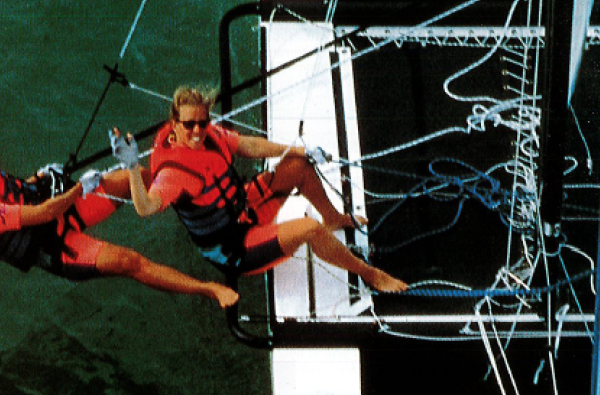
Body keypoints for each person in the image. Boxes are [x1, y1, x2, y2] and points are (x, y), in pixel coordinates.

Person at [112, 85, 408, 293]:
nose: (198, 131)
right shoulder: (172, 174)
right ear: (174, 124)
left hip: (244, 206)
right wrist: (131, 167)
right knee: (309, 229)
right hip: (233, 247)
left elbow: (249, 145)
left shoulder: (209, 134)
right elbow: (146, 207)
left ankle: (333, 218)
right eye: (189, 125)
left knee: (298, 165)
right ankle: (371, 274)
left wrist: (300, 150)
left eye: (203, 122)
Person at [0, 164, 238, 308]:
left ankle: (207, 209)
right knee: (128, 261)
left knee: (138, 178)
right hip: (56, 245)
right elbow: (45, 213)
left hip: (59, 209)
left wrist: (39, 177)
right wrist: (80, 188)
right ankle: (209, 289)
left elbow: (14, 193)